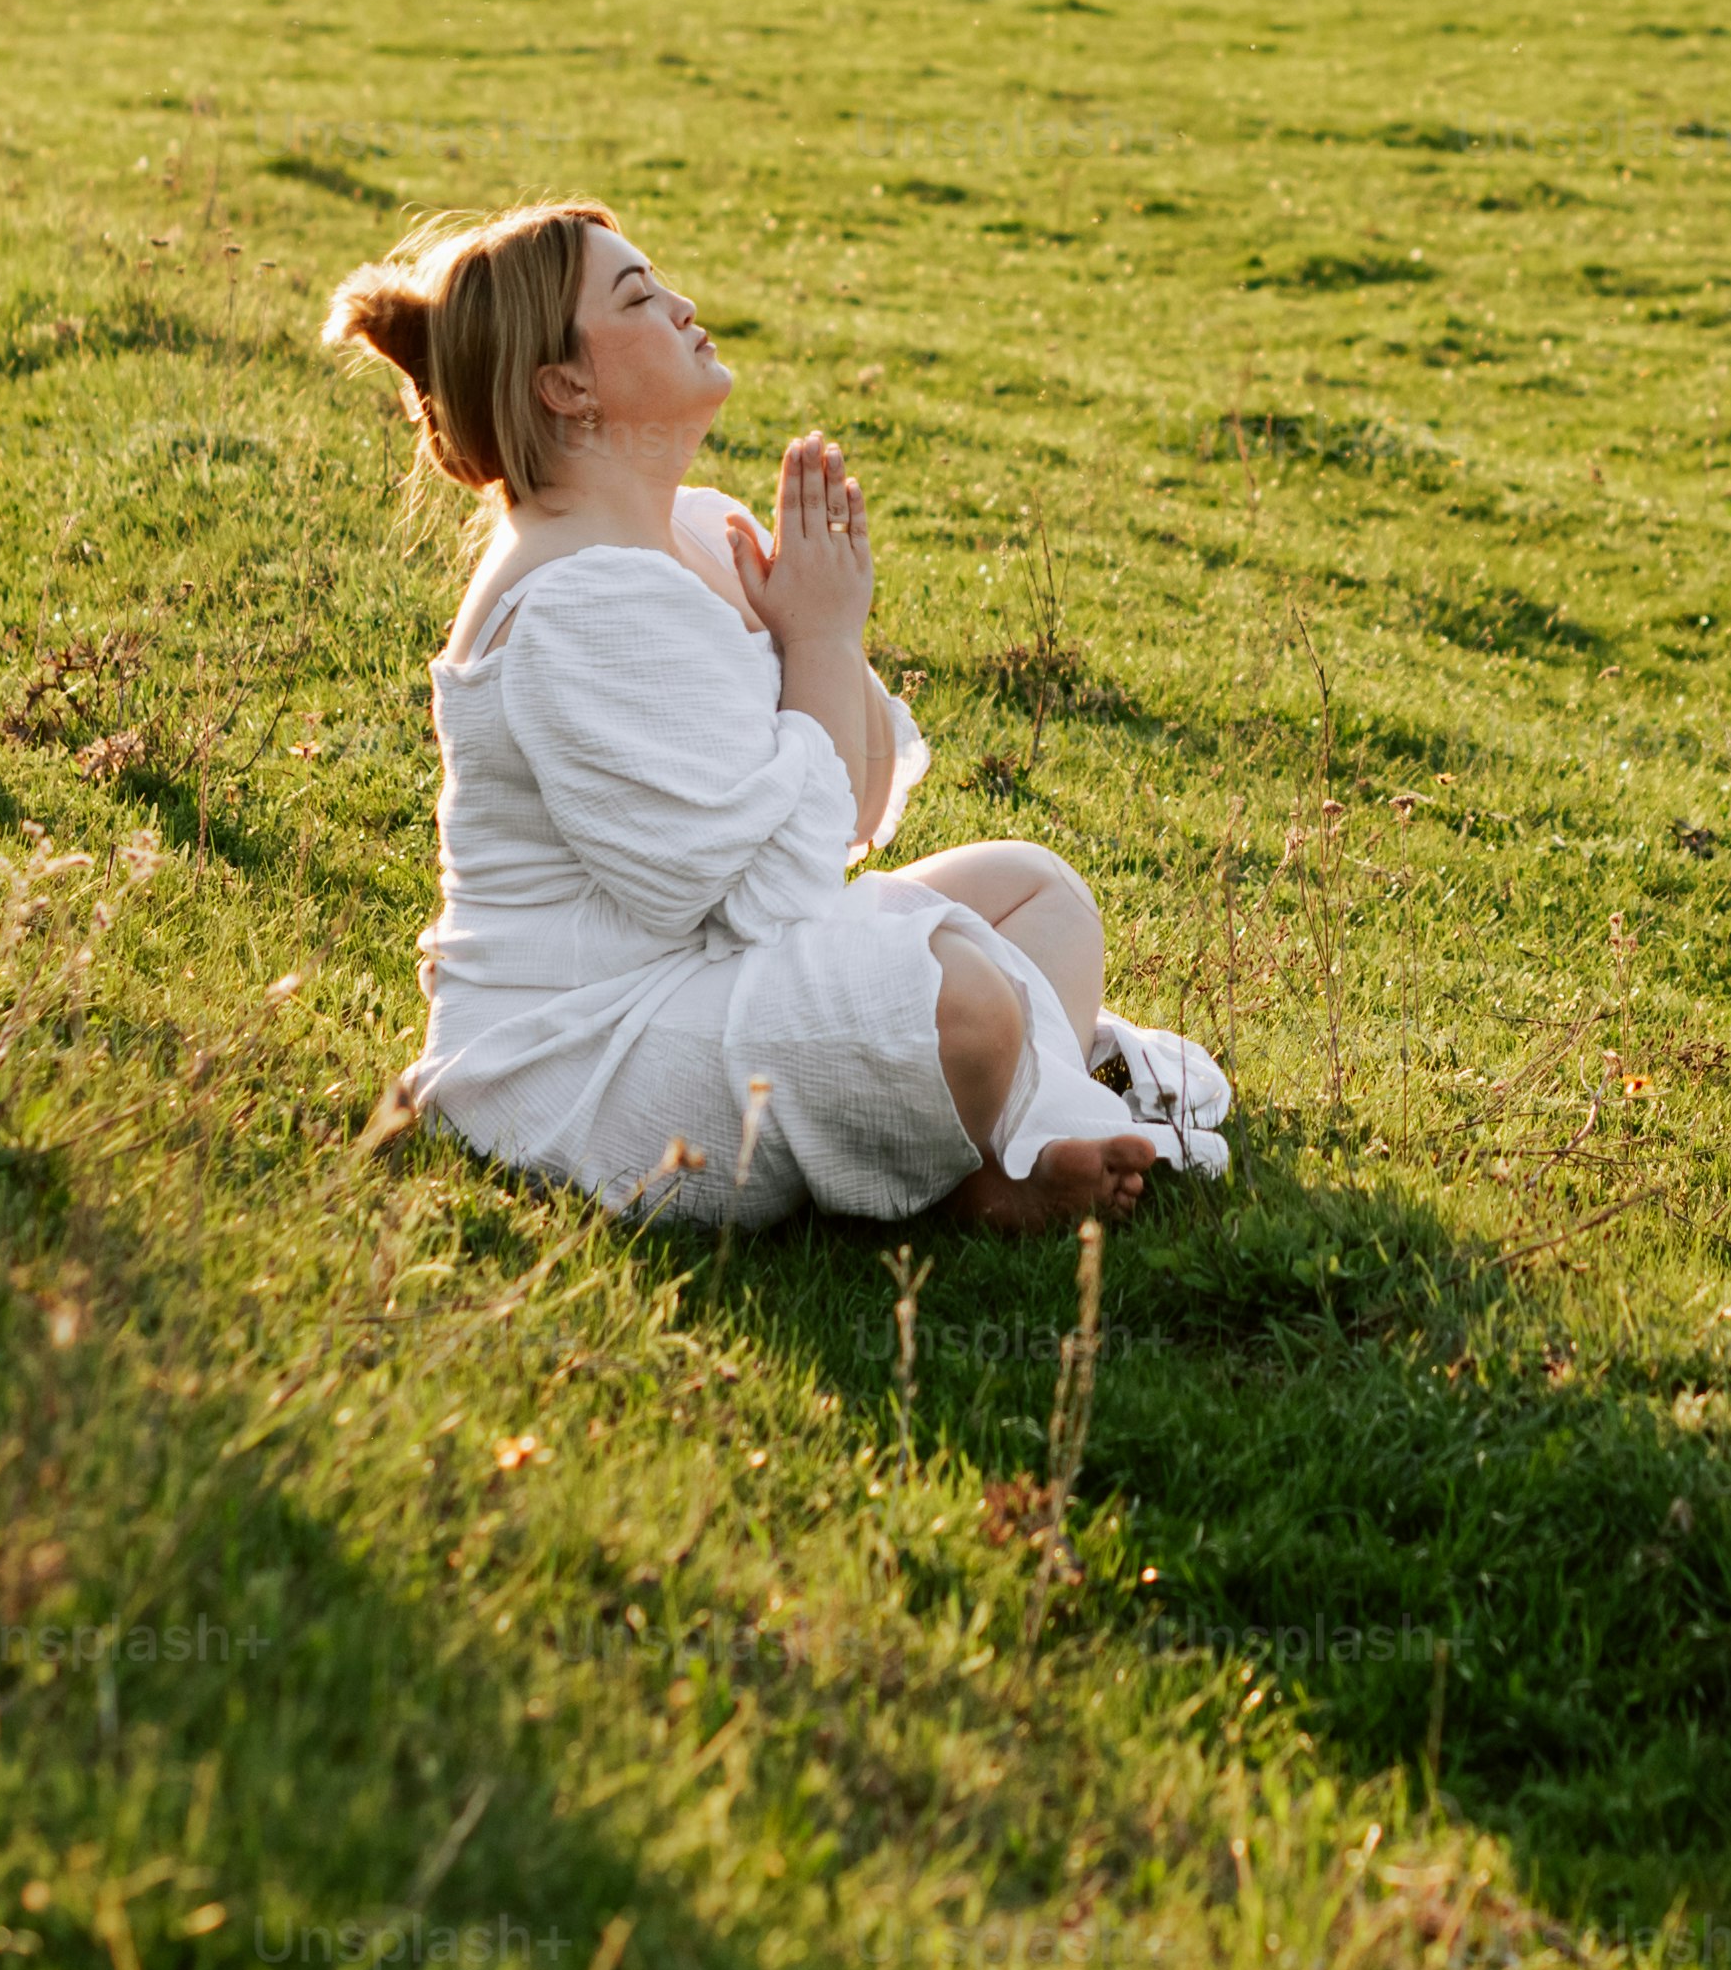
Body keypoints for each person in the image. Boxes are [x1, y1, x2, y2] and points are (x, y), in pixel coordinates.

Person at [335, 201, 1228, 1233]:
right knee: (964, 1001)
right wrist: (815, 638)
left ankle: (993, 1132)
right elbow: (774, 898)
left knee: (1040, 896)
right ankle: (990, 1174)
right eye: (638, 295)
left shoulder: (700, 527)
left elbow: (854, 808)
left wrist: (830, 636)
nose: (683, 304)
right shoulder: (576, 601)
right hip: (587, 1054)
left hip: (715, 968)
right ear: (566, 385)